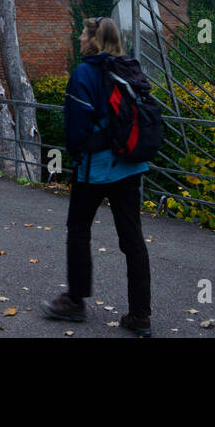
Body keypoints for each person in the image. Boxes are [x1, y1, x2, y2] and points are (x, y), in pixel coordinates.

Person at [40, 17, 152, 337]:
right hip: (130, 167)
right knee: (132, 241)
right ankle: (140, 314)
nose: (78, 36)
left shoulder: (83, 74)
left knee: (78, 230)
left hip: (95, 170)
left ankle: (75, 301)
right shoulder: (131, 68)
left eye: (83, 33)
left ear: (93, 40)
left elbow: (75, 131)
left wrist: (77, 156)